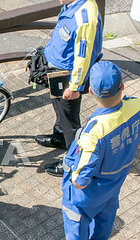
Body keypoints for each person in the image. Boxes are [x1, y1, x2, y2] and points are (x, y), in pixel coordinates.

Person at [46, 61, 140, 240]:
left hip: (88, 191)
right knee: (107, 212)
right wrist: (131, 148)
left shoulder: (94, 132)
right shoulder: (138, 106)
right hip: (115, 180)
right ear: (122, 86)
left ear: (90, 91)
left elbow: (81, 179)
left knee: (77, 222)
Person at [35, 0, 103, 176]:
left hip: (68, 77)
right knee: (59, 109)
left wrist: (74, 87)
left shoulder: (85, 17)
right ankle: (59, 137)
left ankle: (73, 162)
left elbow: (84, 56)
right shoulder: (70, 5)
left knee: (70, 121)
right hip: (56, 72)